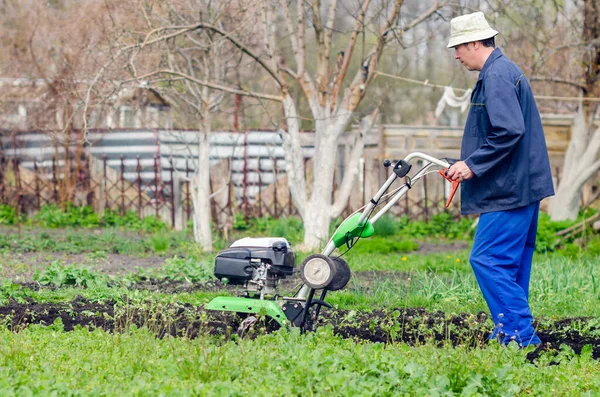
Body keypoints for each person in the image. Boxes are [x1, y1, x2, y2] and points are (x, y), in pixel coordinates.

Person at [445, 11, 555, 347]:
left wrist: (472, 166)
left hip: (508, 189)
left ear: (475, 42)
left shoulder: (496, 76)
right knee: (510, 264)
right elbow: (499, 133)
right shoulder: (503, 72)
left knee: (487, 258)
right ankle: (509, 328)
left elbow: (509, 131)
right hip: (520, 186)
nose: (456, 55)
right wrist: (463, 162)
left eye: (459, 47)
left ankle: (519, 336)